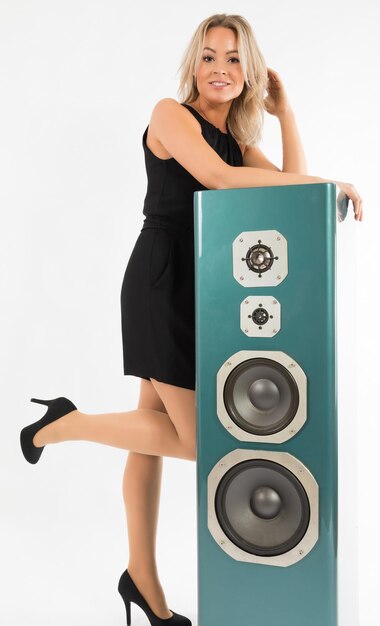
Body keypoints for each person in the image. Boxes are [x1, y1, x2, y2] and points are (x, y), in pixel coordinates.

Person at [19, 12, 363, 626]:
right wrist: (330, 180)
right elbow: (218, 179)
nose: (220, 69)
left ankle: (142, 582)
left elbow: (286, 190)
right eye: (209, 57)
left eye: (234, 59)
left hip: (200, 284)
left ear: (248, 69)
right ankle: (62, 425)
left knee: (151, 428)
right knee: (204, 442)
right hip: (162, 275)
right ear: (193, 65)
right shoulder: (170, 115)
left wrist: (286, 116)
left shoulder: (236, 138)